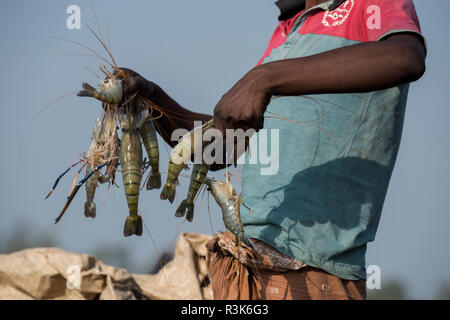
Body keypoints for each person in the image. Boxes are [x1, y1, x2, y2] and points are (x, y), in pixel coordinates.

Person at [120, 0, 426, 300]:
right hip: (247, 268)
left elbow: (405, 57)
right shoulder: (286, 34)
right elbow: (220, 148)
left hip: (312, 275)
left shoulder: (365, 5)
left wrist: (263, 78)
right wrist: (152, 98)